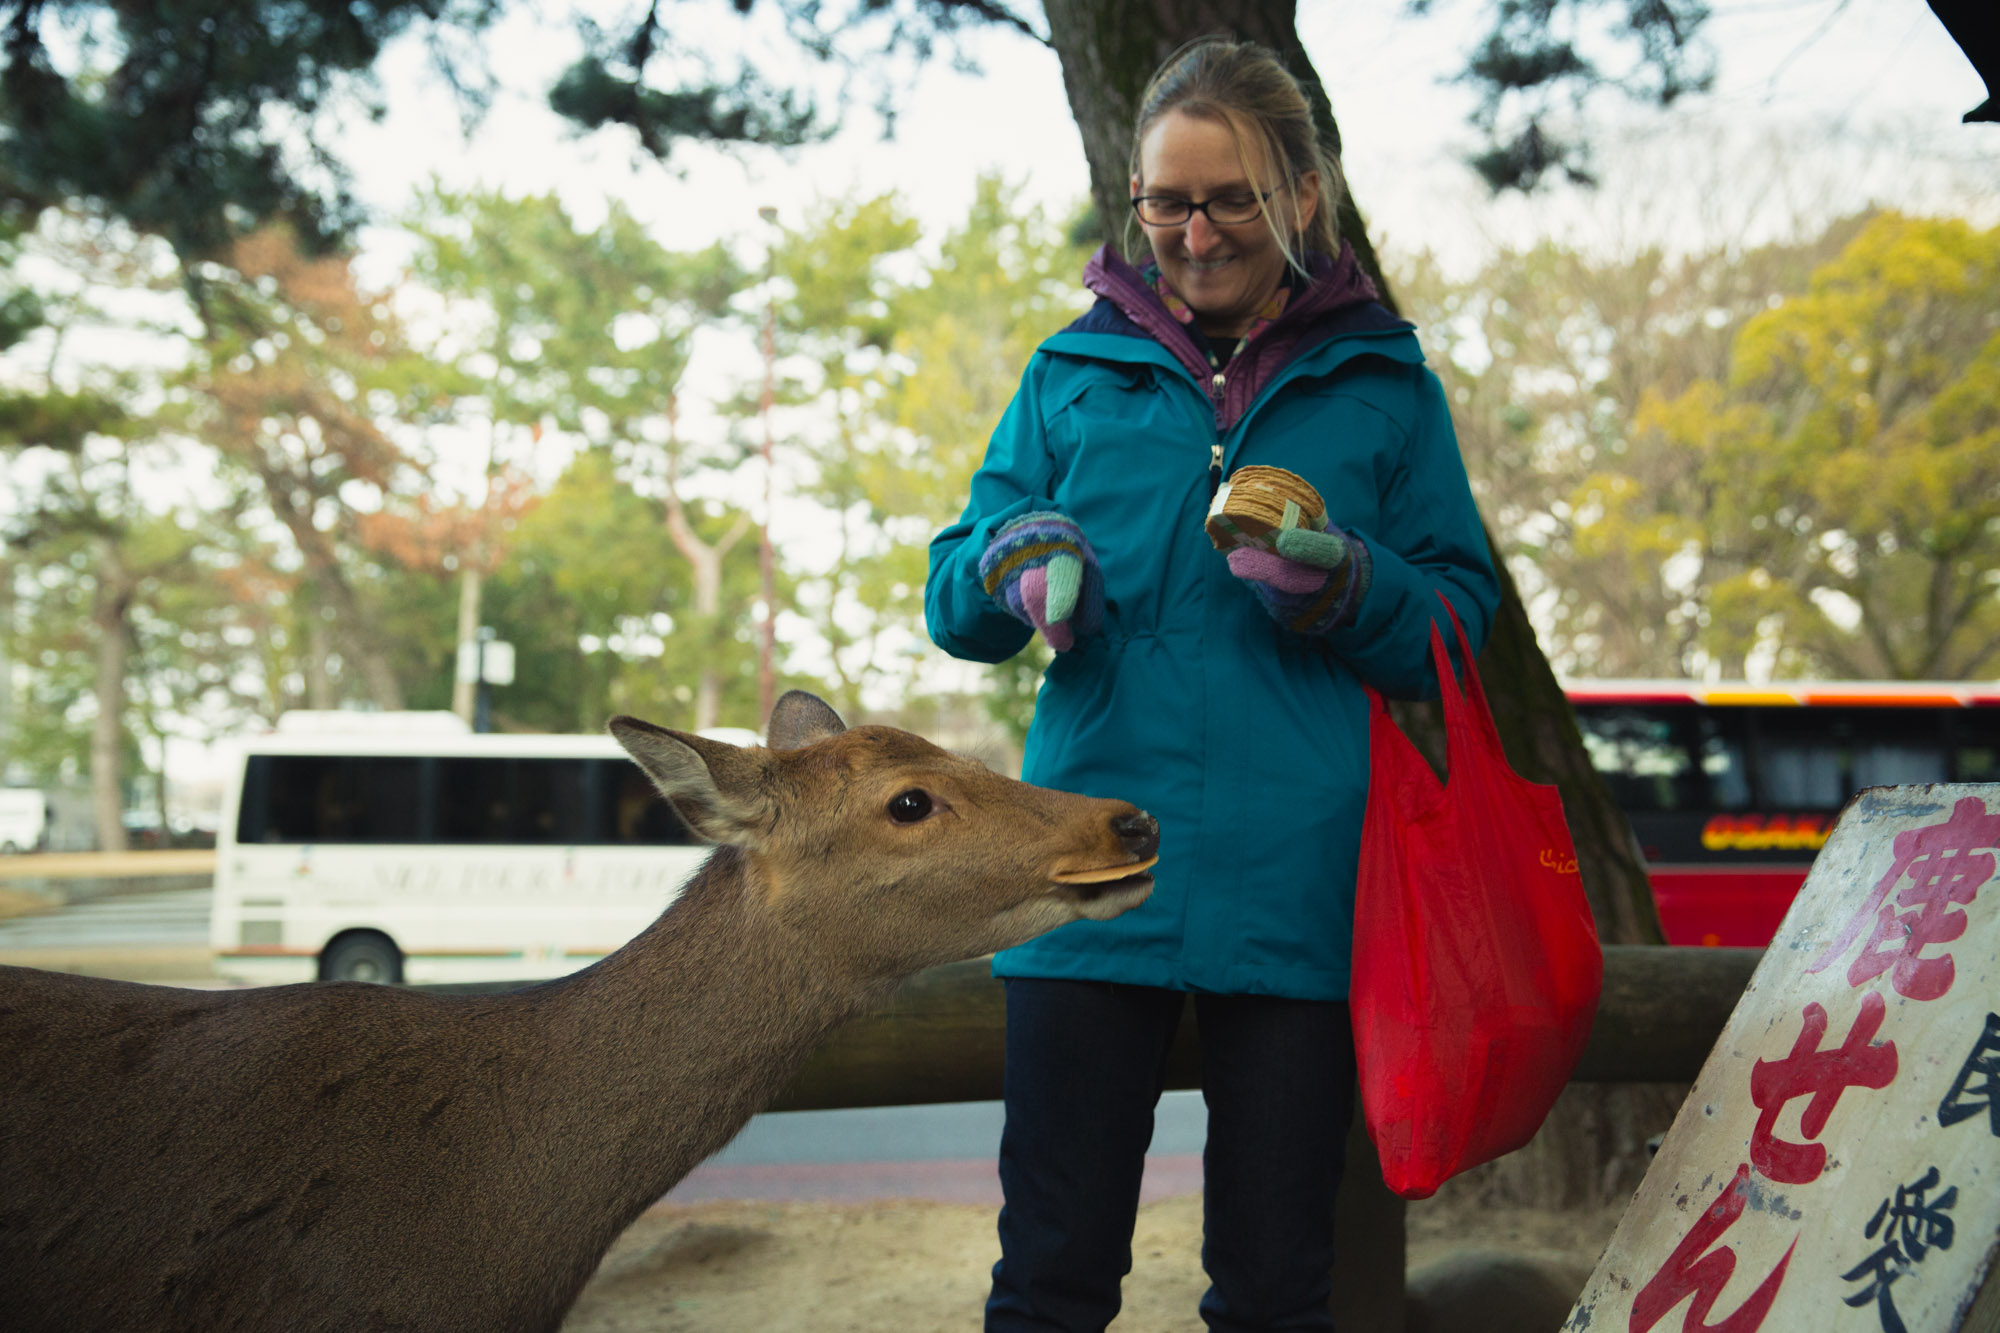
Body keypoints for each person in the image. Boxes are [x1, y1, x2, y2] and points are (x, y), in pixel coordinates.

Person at [924, 37, 1501, 1333]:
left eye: (1228, 197)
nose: (1193, 232)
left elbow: (1462, 627)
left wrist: (1349, 583)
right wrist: (1015, 567)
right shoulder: (1068, 374)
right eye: (1166, 201)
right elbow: (954, 590)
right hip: (1080, 873)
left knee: (1277, 1290)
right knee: (1050, 1279)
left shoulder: (1387, 389)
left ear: (1302, 192)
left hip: (1298, 895)